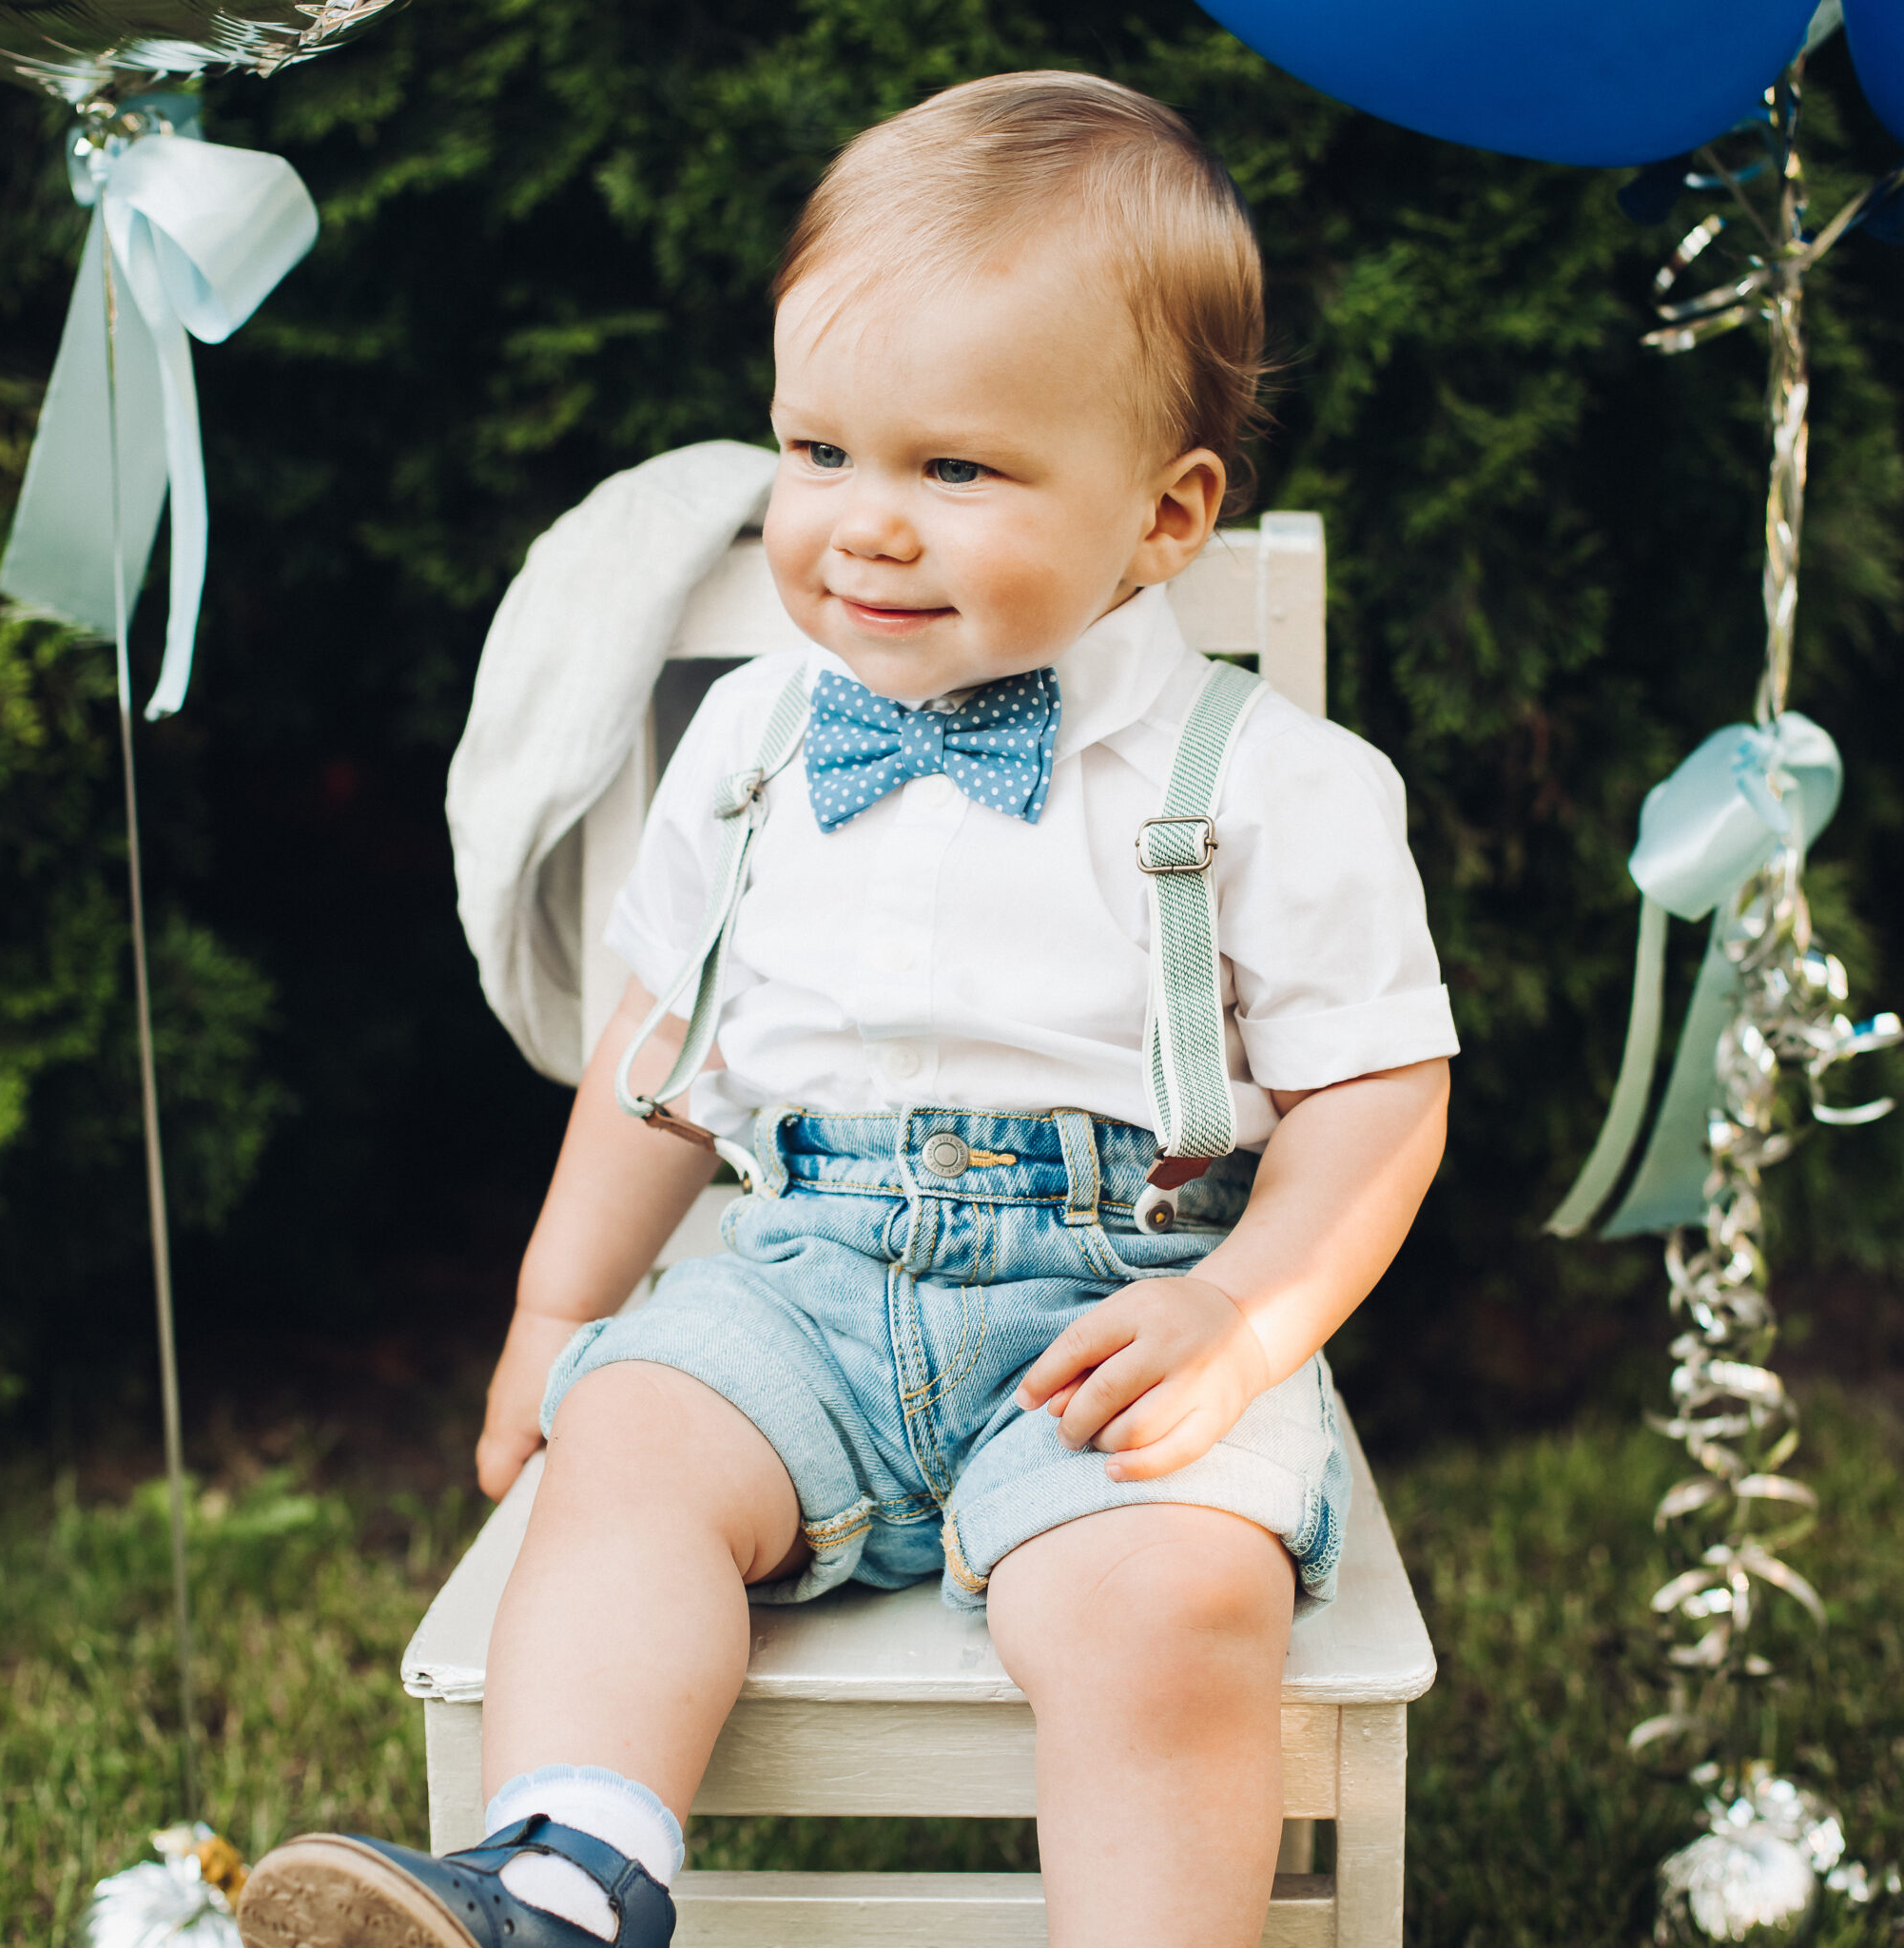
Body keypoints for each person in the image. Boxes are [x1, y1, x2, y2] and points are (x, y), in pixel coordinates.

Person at [242, 68, 1455, 1948]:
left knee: (1153, 1598)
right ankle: (568, 1870)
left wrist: (1236, 1316)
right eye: (819, 451)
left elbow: (1380, 1097)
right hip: (794, 1264)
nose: (861, 527)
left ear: (1163, 513)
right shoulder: (747, 735)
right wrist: (562, 1307)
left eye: (954, 470)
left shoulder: (1276, 779)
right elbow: (659, 1051)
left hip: (1114, 1312)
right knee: (628, 1446)